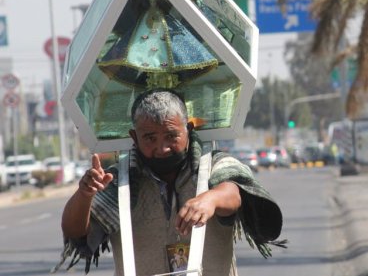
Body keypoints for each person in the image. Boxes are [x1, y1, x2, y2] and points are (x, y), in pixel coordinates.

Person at [55, 89, 284, 276]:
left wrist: (211, 199)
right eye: (150, 138)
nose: (162, 148)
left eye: (171, 136)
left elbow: (236, 193)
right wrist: (84, 195)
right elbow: (76, 232)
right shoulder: (118, 181)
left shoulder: (214, 166)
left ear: (188, 129)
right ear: (134, 137)